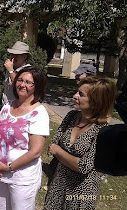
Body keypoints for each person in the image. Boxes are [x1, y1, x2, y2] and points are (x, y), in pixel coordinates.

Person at [44, 76, 116, 209]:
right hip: (58, 186)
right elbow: (53, 143)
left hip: (81, 194)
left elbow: (83, 166)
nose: (74, 96)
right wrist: (69, 159)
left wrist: (59, 151)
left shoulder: (103, 130)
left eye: (81, 94)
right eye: (77, 92)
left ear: (96, 101)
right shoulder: (71, 116)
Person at [0, 66, 49, 210]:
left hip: (22, 178)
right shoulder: (7, 105)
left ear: (37, 87)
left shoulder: (39, 113)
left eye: (29, 82)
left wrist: (9, 167)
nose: (22, 84)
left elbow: (36, 151)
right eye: (20, 80)